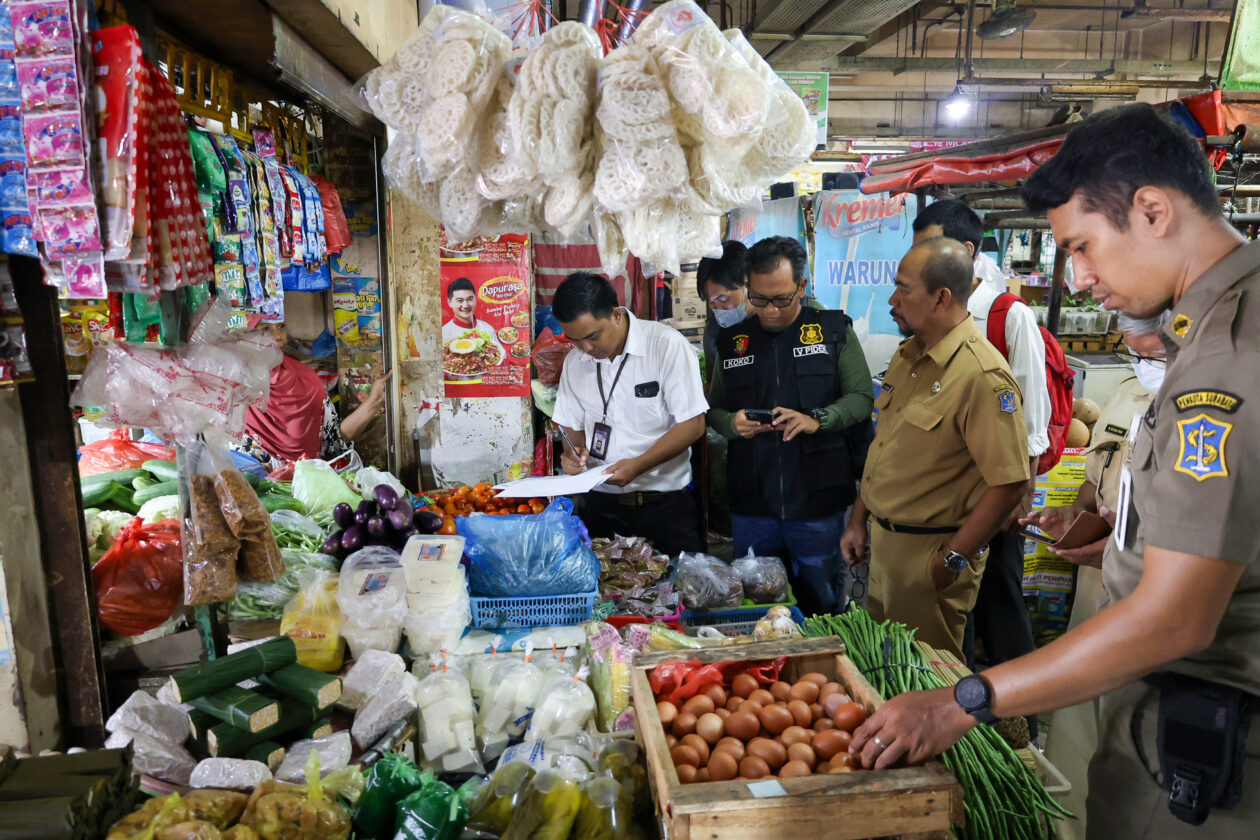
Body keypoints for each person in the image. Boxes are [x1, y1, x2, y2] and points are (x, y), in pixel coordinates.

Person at [846, 104, 1260, 840]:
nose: (1082, 277)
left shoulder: (1231, 356)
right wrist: (1127, 534)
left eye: (1083, 245)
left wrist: (965, 698)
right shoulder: (1210, 332)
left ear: (1153, 211)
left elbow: (1176, 616)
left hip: (1212, 746)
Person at [840, 237, 1030, 659]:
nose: (892, 300)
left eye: (903, 289)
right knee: (885, 669)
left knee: (928, 685)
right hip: (883, 547)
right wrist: (859, 519)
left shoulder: (981, 376)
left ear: (941, 297)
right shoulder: (908, 357)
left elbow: (1010, 484)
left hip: (930, 558)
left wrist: (953, 560)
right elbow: (885, 449)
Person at [1023, 313, 1166, 840]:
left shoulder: (1221, 404)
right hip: (1094, 590)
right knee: (1076, 730)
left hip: (1154, 600)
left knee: (1133, 745)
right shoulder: (1128, 392)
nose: (1129, 343)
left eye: (1143, 332)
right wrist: (1074, 521)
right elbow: (1095, 481)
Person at [912, 200, 1048, 689]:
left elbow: (1034, 407)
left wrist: (1023, 491)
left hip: (997, 489)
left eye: (928, 246)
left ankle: (1022, 719)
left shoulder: (1009, 314)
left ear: (964, 251)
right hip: (948, 496)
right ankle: (962, 704)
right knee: (957, 606)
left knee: (999, 596)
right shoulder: (934, 311)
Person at [707, 236, 874, 616]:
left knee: (821, 603)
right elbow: (712, 410)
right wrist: (731, 424)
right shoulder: (733, 342)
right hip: (752, 503)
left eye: (781, 299)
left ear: (801, 285)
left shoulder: (832, 332)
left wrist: (818, 419)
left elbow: (862, 398)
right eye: (760, 298)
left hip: (817, 503)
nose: (770, 311)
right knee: (756, 608)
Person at [551, 272, 708, 556]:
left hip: (664, 506)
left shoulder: (665, 346)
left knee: (677, 591)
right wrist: (572, 455)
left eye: (592, 337)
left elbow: (693, 424)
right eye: (575, 340)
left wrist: (638, 465)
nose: (585, 348)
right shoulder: (576, 362)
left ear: (616, 315)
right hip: (600, 506)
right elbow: (572, 428)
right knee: (606, 595)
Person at [238, 323, 390, 465]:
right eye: (265, 329)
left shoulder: (306, 380)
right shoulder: (232, 388)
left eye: (281, 326)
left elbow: (334, 441)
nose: (278, 336)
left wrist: (374, 402)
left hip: (308, 489)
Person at [698, 240, 750, 382]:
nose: (718, 309)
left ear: (747, 283)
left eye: (723, 300)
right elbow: (714, 387)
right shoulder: (713, 333)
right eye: (711, 302)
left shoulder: (773, 319)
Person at [443, 277, 507, 358]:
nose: (465, 305)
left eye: (470, 299)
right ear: (449, 302)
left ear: (475, 300)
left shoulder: (487, 328)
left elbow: (502, 355)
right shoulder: (444, 332)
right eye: (459, 300)